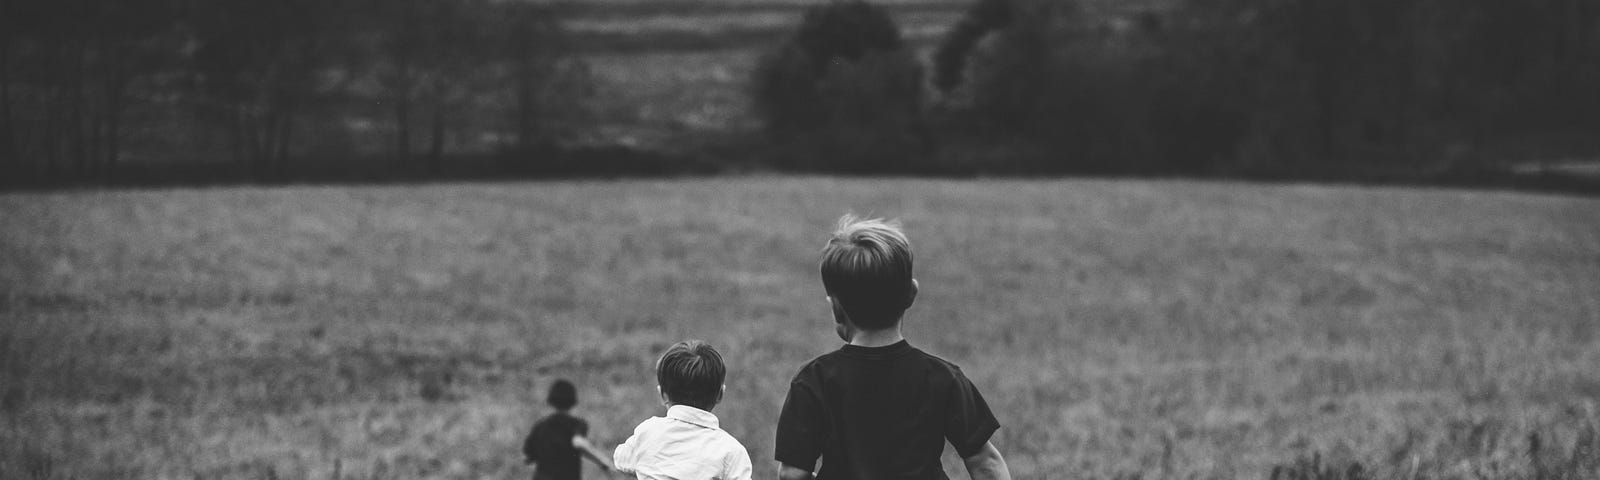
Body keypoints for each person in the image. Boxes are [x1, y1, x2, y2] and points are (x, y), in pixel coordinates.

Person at [775, 215, 1013, 480]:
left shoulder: (813, 380)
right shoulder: (943, 378)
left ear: (835, 307)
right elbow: (985, 462)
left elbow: (793, 474)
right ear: (911, 294)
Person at [613, 340, 753, 480]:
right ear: (720, 395)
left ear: (662, 395)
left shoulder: (648, 432)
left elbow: (621, 459)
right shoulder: (731, 451)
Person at [524, 379, 616, 480]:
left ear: (551, 400)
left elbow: (529, 456)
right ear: (572, 401)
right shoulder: (576, 424)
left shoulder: (540, 427)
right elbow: (579, 443)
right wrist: (604, 463)